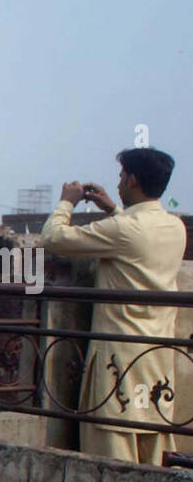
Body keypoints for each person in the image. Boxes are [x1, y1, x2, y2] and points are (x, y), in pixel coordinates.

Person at [40, 149, 186, 464]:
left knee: (112, 458)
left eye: (122, 176)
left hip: (117, 362)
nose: (119, 182)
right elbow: (137, 238)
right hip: (157, 358)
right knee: (154, 454)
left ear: (132, 179)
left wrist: (67, 201)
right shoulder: (175, 228)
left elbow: (52, 238)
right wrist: (113, 209)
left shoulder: (124, 230)